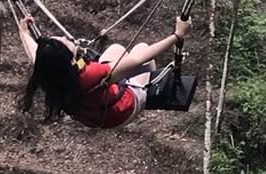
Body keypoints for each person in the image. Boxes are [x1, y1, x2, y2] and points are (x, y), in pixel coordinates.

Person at [18, 12, 191, 130]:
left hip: (92, 116)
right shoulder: (89, 74)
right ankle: (146, 89)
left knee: (116, 48)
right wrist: (178, 35)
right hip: (123, 110)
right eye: (64, 40)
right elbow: (139, 59)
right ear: (69, 57)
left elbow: (36, 55)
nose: (65, 37)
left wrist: (24, 31)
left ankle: (133, 81)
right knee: (141, 48)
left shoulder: (49, 74)